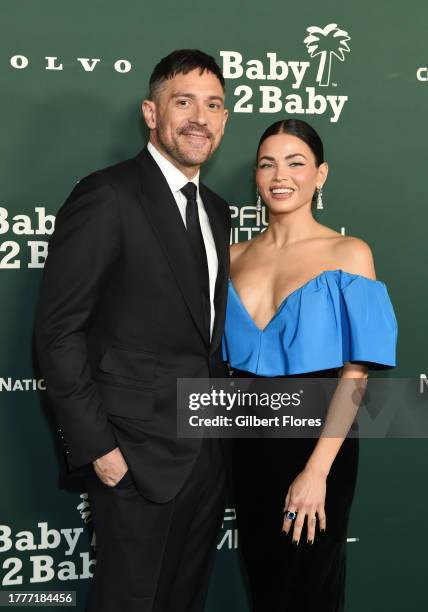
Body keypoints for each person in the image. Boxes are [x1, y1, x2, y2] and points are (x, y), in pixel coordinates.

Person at [35, 49, 230, 612]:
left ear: (224, 120)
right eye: (183, 101)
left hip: (205, 458)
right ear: (151, 113)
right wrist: (100, 452)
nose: (200, 117)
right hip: (134, 459)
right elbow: (57, 333)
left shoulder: (215, 208)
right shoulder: (108, 195)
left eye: (213, 104)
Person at [222, 119, 397, 611]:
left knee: (309, 588)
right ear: (256, 176)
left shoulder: (348, 253)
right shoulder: (230, 257)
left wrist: (317, 470)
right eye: (267, 163)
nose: (281, 175)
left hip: (317, 442)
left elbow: (356, 375)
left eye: (296, 163)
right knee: (265, 585)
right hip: (246, 443)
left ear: (320, 175)